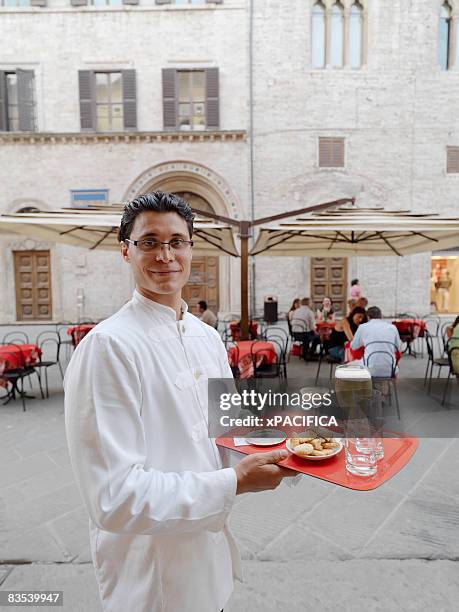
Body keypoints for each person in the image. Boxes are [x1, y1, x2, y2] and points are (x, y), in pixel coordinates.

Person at [64, 191, 295, 612]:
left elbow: (229, 434)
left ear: (191, 248)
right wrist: (235, 482)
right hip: (154, 583)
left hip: (210, 568)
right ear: (125, 252)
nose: (165, 255)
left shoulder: (206, 337)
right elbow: (114, 498)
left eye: (177, 242)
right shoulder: (108, 346)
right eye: (149, 242)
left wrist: (295, 447)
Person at [350, 305, 401, 377]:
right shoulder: (392, 327)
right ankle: (391, 386)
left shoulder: (362, 327)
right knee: (395, 366)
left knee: (349, 366)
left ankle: (359, 387)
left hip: (369, 369)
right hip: (390, 370)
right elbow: (397, 348)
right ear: (381, 316)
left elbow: (353, 346)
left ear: (368, 317)